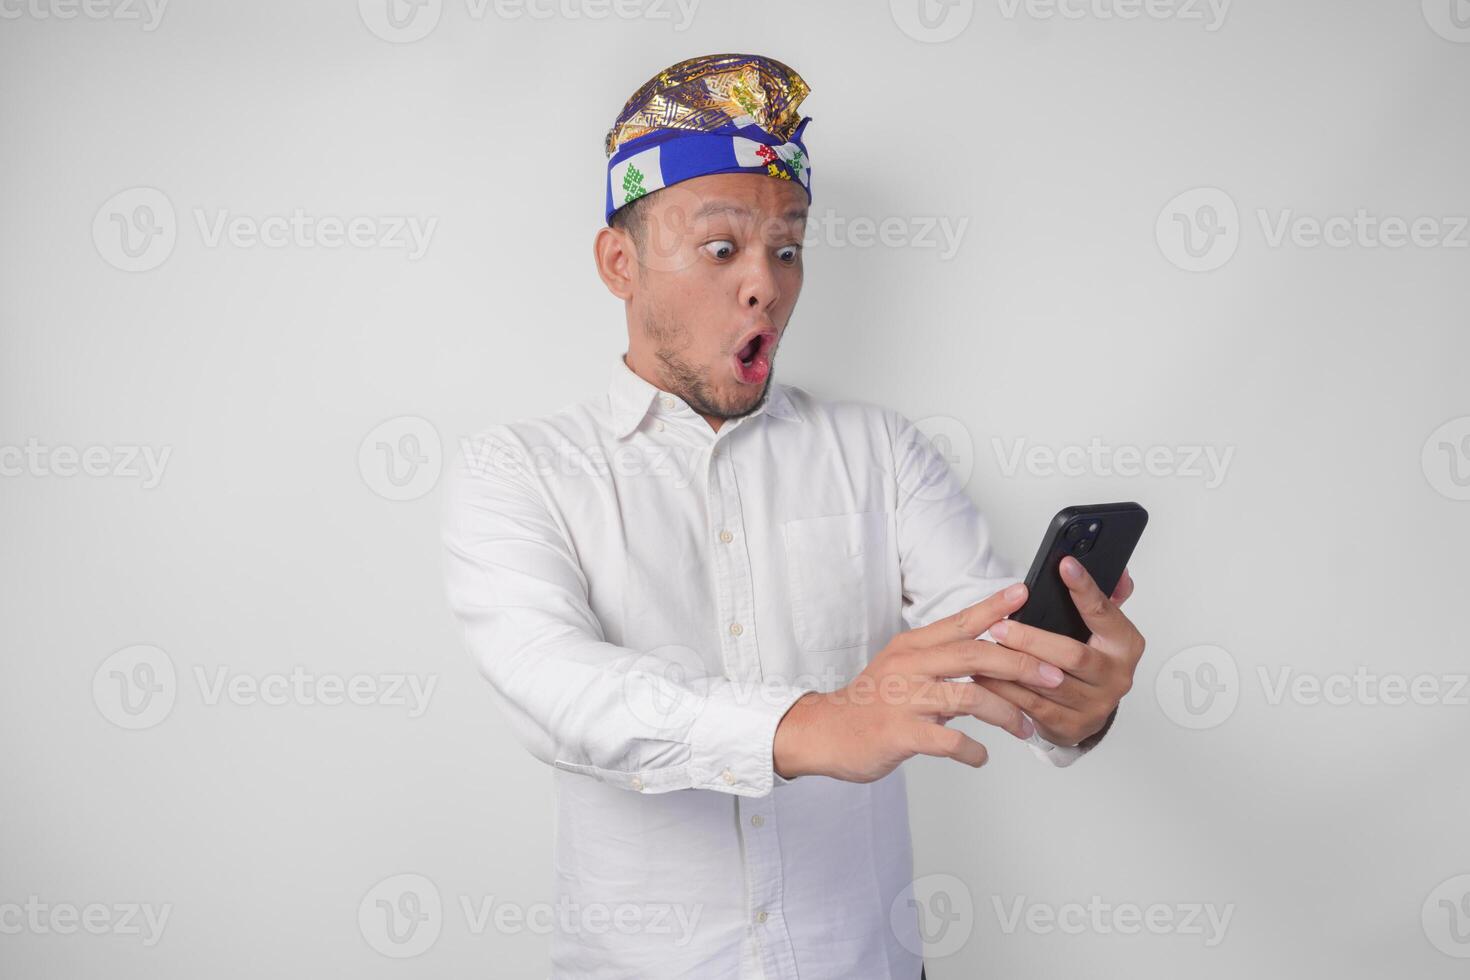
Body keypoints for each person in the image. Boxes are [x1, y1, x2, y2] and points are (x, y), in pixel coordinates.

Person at [442, 52, 1146, 980]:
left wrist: (1072, 700)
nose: (764, 286)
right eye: (722, 247)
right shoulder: (520, 471)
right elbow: (557, 690)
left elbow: (991, 635)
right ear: (621, 263)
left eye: (788, 248)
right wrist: (806, 724)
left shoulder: (881, 454)